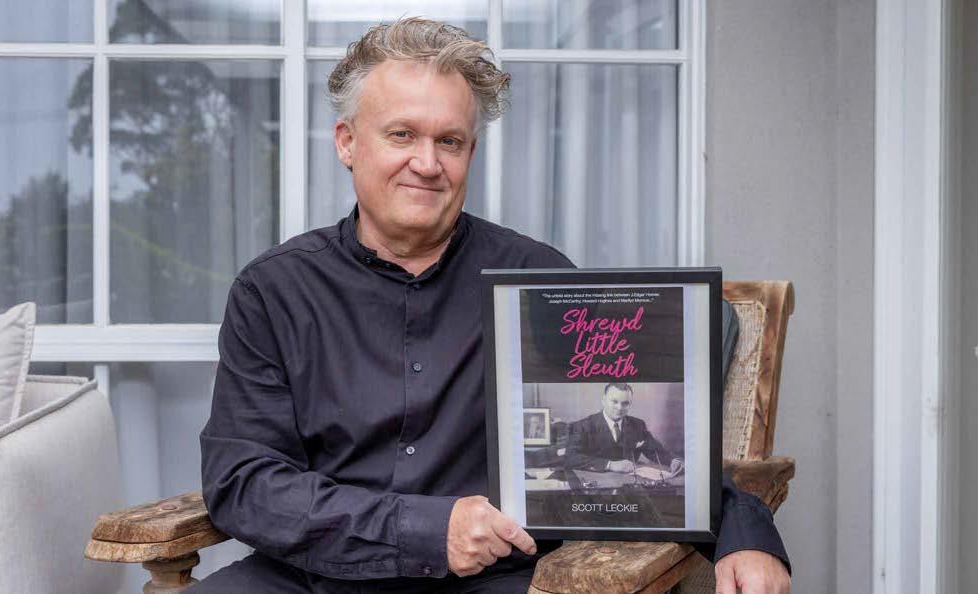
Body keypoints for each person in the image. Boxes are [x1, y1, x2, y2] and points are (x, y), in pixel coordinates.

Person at [195, 17, 791, 594]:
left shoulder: (540, 283)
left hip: (491, 580)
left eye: (449, 141)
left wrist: (745, 534)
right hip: (314, 575)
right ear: (347, 142)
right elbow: (243, 482)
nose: (427, 163)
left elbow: (668, 466)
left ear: (470, 152)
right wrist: (427, 530)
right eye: (402, 135)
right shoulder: (271, 292)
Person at [565, 383, 683, 475]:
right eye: (614, 402)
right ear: (603, 401)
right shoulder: (582, 426)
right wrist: (610, 465)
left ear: (630, 404)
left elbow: (654, 450)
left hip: (629, 484)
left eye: (625, 403)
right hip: (595, 484)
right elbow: (570, 458)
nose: (619, 408)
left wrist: (672, 461)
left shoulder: (638, 425)